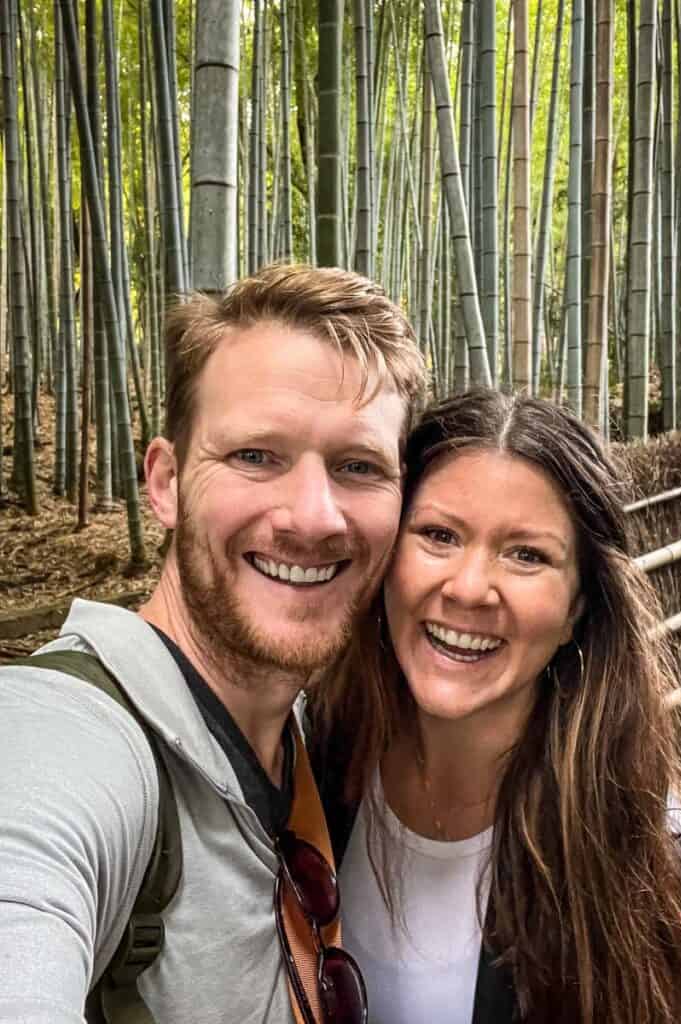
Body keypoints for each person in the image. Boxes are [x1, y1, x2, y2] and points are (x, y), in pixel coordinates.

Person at [0, 263, 425, 1023]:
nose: (312, 516)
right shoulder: (66, 737)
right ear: (165, 482)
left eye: (358, 467)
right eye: (255, 456)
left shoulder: (316, 744)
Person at [312, 388, 681, 1024]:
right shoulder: (310, 766)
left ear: (577, 608)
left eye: (526, 555)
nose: (469, 588)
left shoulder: (649, 867)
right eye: (438, 535)